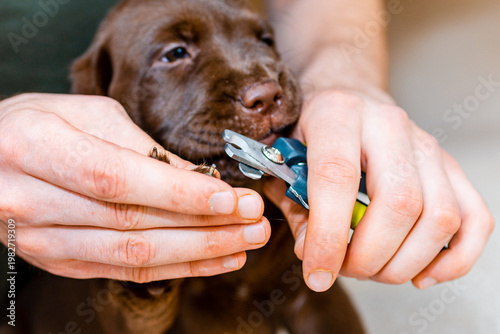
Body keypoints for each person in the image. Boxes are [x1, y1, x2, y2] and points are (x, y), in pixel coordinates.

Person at [0, 0, 494, 297]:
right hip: (35, 242)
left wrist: (343, 83)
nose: (260, 87)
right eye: (175, 55)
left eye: (261, 41)